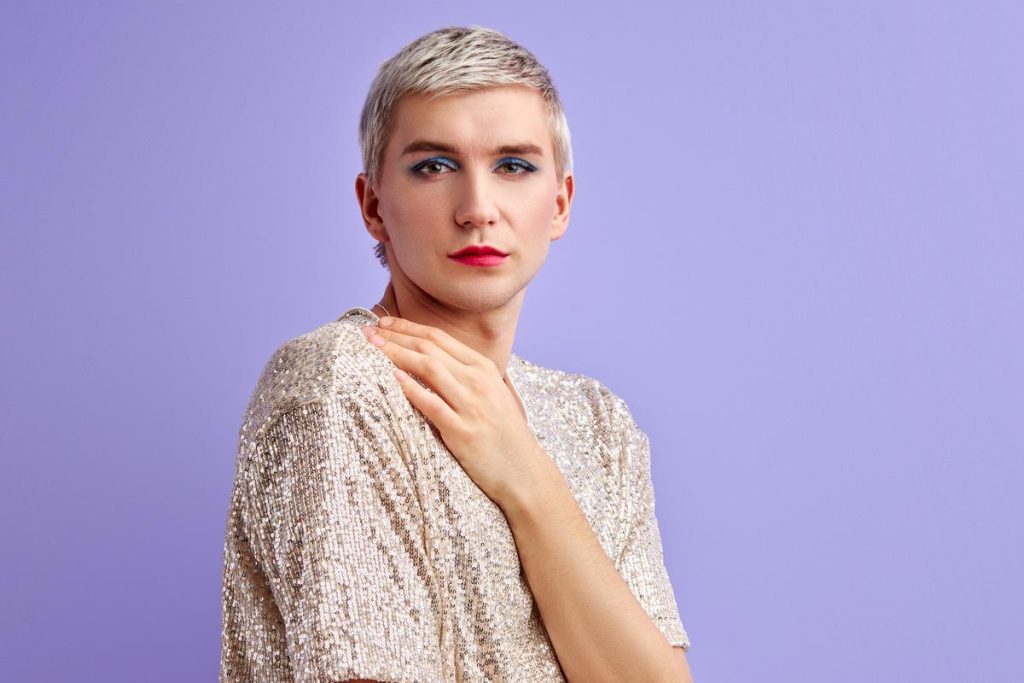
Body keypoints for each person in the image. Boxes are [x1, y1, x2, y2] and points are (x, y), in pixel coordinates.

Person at [220, 25, 693, 683]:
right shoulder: (340, 380)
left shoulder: (598, 423)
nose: (477, 208)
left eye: (514, 165)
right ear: (373, 205)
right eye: (434, 166)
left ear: (559, 203)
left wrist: (526, 474)